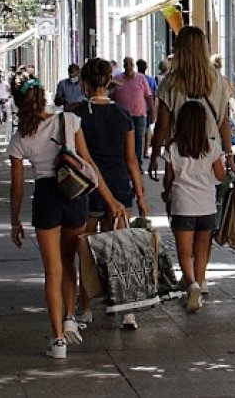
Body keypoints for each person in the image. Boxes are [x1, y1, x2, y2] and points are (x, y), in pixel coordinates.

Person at [7, 76, 127, 359]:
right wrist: (111, 200)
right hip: (75, 194)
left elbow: (16, 187)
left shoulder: (19, 138)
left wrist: (15, 220)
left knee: (52, 270)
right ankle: (70, 317)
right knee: (69, 262)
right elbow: (88, 163)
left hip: (47, 197)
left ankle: (58, 340)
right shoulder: (69, 121)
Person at [70, 58, 150, 330]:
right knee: (120, 247)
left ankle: (85, 307)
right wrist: (139, 194)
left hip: (88, 187)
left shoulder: (76, 114)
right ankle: (127, 310)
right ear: (108, 82)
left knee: (87, 248)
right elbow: (131, 160)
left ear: (85, 83)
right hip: (118, 186)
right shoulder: (123, 114)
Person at [162, 101, 225, 314]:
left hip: (182, 205)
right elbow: (220, 175)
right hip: (206, 205)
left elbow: (168, 179)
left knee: (184, 250)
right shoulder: (212, 147)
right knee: (201, 249)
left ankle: (191, 285)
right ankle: (199, 280)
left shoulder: (172, 147)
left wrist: (166, 194)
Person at [149, 27, 233, 182]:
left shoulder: (170, 83)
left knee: (177, 198)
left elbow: (162, 125)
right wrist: (228, 154)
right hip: (210, 151)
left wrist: (154, 155)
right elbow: (224, 121)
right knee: (209, 199)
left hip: (179, 153)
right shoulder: (217, 80)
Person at [111, 57, 154, 163]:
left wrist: (152, 111)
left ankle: (137, 163)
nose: (128, 67)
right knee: (123, 140)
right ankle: (125, 163)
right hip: (122, 116)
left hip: (139, 115)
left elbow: (148, 96)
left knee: (138, 140)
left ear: (133, 66)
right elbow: (111, 94)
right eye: (126, 64)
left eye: (130, 64)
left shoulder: (141, 78)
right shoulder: (117, 78)